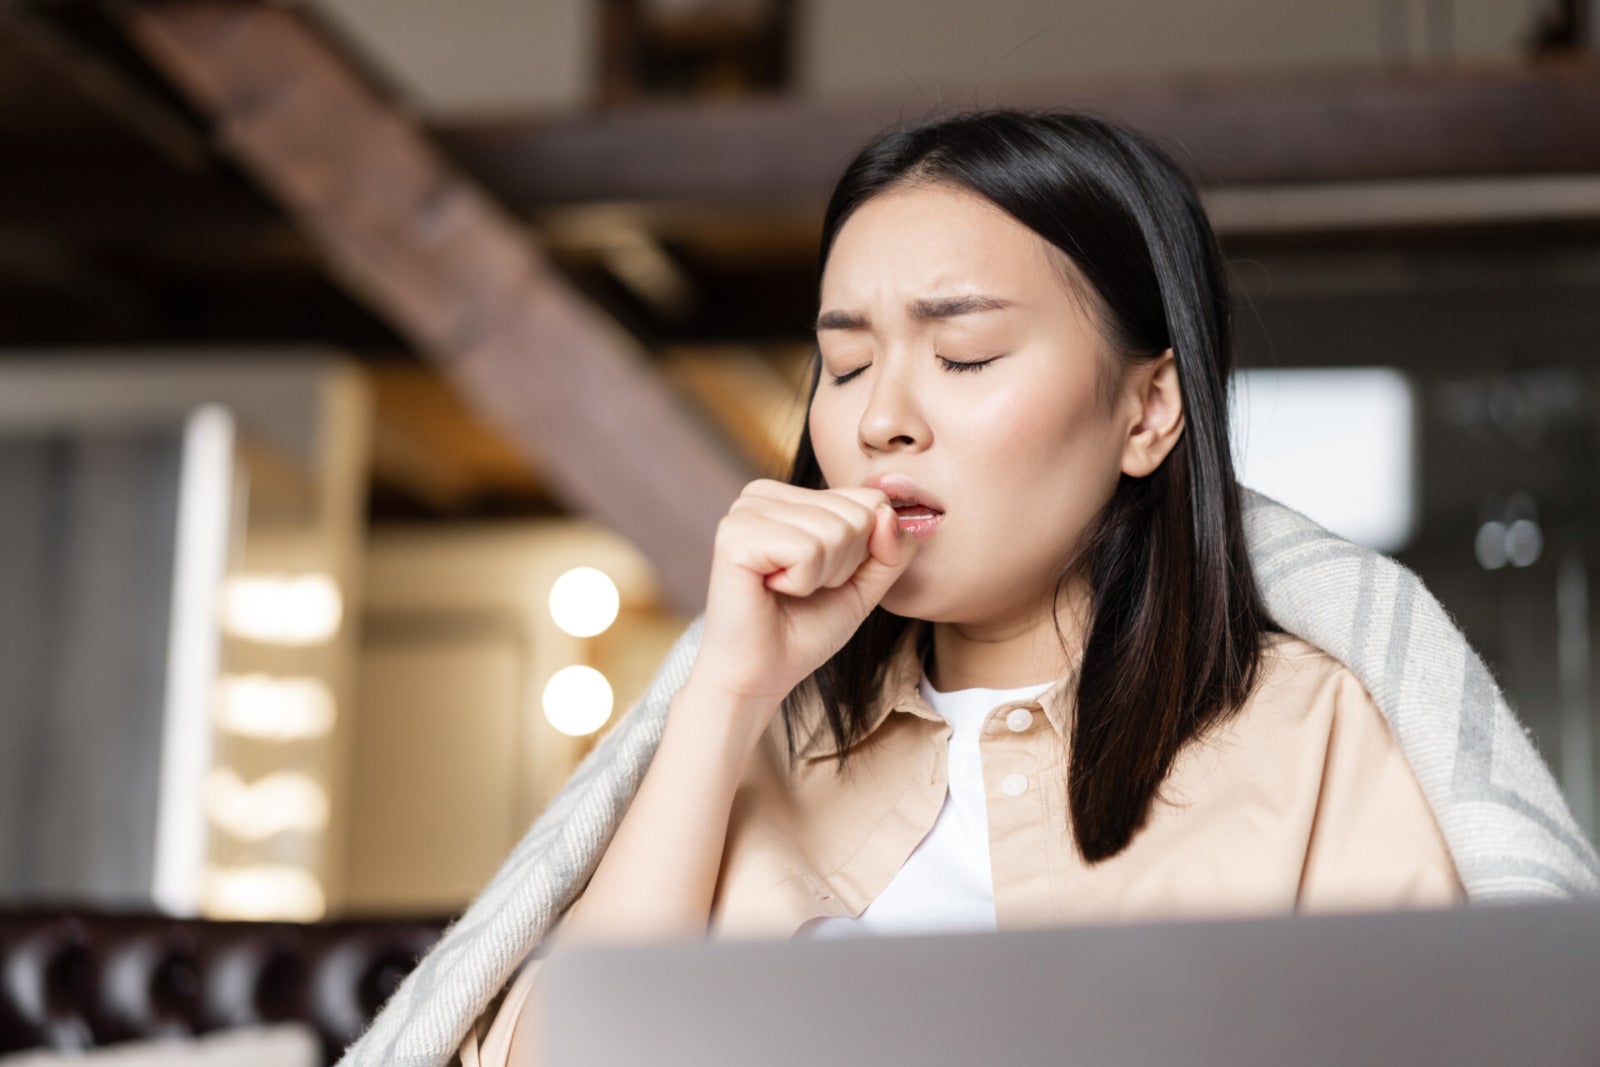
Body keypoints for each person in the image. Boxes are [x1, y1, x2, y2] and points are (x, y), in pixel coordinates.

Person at [461, 108, 1464, 1066]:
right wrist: (725, 692)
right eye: (845, 365)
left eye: (963, 353)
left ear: (1148, 409)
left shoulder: (1318, 732)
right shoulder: (756, 735)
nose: (878, 420)